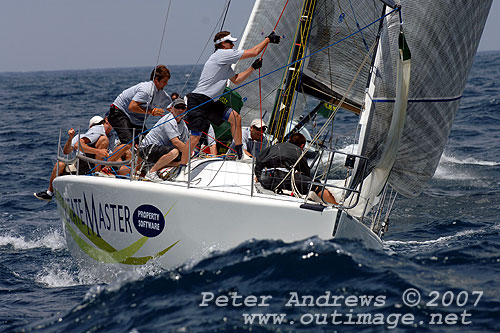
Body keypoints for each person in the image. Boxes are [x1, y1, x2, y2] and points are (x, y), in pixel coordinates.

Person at [179, 30, 281, 171]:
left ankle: (240, 154)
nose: (233, 44)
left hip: (211, 102)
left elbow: (237, 80)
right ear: (222, 44)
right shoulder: (221, 54)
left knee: (235, 117)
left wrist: (252, 68)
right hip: (199, 101)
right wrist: (268, 40)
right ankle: (182, 168)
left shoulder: (224, 64)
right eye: (230, 42)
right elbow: (254, 51)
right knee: (195, 138)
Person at [34, 116, 113, 202]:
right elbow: (66, 151)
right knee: (59, 164)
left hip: (101, 165)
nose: (99, 127)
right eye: (97, 125)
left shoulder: (110, 139)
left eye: (101, 124)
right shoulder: (80, 137)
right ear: (91, 127)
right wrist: (70, 138)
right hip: (81, 163)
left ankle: (98, 174)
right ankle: (49, 193)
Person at [255, 133, 338, 205]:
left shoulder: (274, 146)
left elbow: (259, 160)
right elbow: (306, 173)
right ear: (302, 146)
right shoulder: (298, 152)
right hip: (283, 179)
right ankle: (336, 206)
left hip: (266, 178)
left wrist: (258, 177)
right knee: (315, 185)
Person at [108, 64, 172, 152]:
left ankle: (140, 164)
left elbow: (172, 107)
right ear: (156, 79)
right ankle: (109, 163)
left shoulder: (161, 93)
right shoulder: (146, 89)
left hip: (135, 120)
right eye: (164, 81)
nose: (166, 84)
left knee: (148, 144)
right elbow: (132, 106)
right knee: (128, 143)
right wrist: (151, 111)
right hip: (119, 113)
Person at [139, 98, 189, 181]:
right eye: (177, 107)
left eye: (183, 107)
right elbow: (176, 142)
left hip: (163, 150)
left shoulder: (183, 124)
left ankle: (156, 168)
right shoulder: (169, 120)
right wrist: (189, 152)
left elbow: (185, 143)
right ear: (171, 109)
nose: (180, 110)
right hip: (147, 149)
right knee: (175, 152)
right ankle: (151, 172)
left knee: (182, 160)